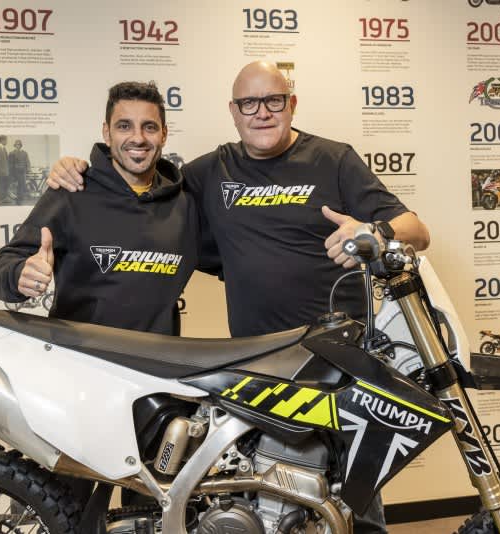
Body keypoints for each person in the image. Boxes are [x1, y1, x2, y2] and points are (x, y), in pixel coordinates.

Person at [47, 62, 429, 534]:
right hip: (259, 366)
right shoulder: (212, 170)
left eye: (273, 101)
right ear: (233, 111)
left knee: (355, 502)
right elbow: (140, 183)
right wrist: (81, 168)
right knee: (274, 500)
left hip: (342, 361)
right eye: (249, 103)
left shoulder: (334, 160)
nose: (261, 113)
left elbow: (417, 229)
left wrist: (375, 231)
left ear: (291, 104)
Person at [0, 81, 198, 336]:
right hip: (78, 358)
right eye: (124, 126)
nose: (138, 137)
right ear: (107, 133)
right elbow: (0, 267)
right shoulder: (72, 191)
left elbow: (233, 253)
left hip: (158, 359)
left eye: (149, 127)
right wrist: (19, 274)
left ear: (164, 134)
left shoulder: (184, 205)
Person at [7, 139, 31, 205]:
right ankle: (17, 199)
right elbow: (10, 164)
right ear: (15, 145)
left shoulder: (24, 153)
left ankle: (20, 198)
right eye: (17, 144)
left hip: (22, 172)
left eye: (19, 145)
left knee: (22, 185)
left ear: (21, 145)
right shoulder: (12, 153)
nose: (18, 146)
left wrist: (28, 169)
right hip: (15, 172)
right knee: (16, 185)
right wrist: (11, 173)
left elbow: (27, 161)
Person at [0, 135, 10, 204]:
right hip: (0, 172)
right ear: (2, 140)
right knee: (1, 185)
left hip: (5, 172)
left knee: (4, 185)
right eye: (6, 140)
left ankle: (4, 199)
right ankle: (1, 200)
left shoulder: (3, 148)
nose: (7, 142)